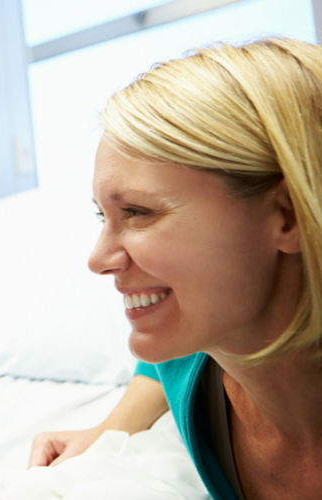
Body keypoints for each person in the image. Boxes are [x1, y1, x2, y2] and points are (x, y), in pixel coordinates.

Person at [26, 37, 322, 500]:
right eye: (103, 217)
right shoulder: (191, 356)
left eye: (139, 212)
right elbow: (163, 365)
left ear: (287, 214)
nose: (98, 260)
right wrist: (111, 430)